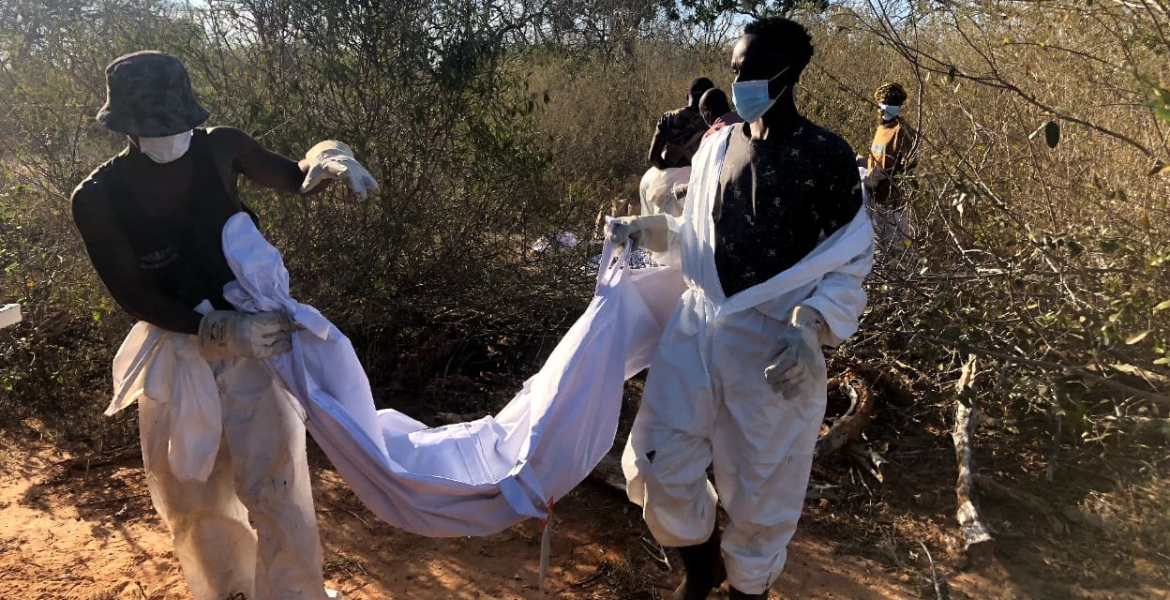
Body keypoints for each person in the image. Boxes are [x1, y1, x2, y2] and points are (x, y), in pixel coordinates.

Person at [71, 51, 376, 600]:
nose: (170, 137)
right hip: (178, 347)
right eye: (154, 128)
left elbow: (293, 175)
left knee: (277, 483)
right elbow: (131, 292)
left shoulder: (218, 146)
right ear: (127, 129)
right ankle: (228, 591)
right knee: (196, 493)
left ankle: (292, 595)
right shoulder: (98, 197)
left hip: (259, 340)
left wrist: (330, 159)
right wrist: (212, 331)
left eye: (176, 124)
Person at [609, 17, 873, 600]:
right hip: (696, 329)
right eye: (736, 71)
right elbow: (699, 237)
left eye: (754, 71)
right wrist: (656, 232)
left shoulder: (826, 156)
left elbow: (847, 263)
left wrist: (810, 326)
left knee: (762, 490)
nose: (742, 82)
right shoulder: (715, 150)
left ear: (790, 73)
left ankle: (748, 589)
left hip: (775, 346)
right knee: (657, 462)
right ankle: (701, 573)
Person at [640, 77, 715, 218]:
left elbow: (653, 157)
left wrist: (669, 169)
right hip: (702, 182)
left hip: (669, 185)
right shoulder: (713, 122)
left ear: (687, 96)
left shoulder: (668, 118)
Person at [864, 82, 917, 240]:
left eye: (890, 103)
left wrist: (888, 175)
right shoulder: (881, 129)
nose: (885, 106)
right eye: (883, 103)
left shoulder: (902, 130)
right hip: (874, 199)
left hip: (893, 203)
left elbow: (910, 165)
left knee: (899, 246)